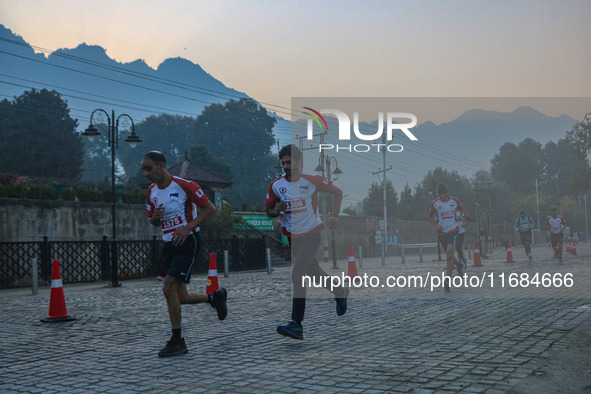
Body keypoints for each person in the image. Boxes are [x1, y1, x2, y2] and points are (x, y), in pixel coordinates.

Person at [141, 151, 227, 357]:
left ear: (162, 166)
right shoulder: (152, 191)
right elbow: (152, 221)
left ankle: (177, 340)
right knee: (181, 296)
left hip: (188, 242)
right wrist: (155, 217)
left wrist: (188, 228)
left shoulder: (184, 185)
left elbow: (209, 208)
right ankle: (214, 298)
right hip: (168, 245)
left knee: (168, 287)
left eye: (149, 168)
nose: (145, 173)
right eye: (143, 169)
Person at [265, 144, 347, 340]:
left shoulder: (311, 181)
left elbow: (338, 192)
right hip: (293, 237)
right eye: (283, 162)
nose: (285, 166)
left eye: (289, 162)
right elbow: (268, 211)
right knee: (315, 274)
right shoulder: (276, 185)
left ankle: (296, 324)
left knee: (298, 274)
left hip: (312, 233)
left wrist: (335, 216)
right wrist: (277, 210)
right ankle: (339, 290)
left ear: (299, 161)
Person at [428, 183, 468, 291]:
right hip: (442, 232)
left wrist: (460, 216)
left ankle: (447, 279)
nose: (442, 196)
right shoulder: (435, 204)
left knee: (450, 253)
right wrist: (436, 225)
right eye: (440, 194)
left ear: (447, 193)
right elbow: (431, 217)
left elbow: (461, 210)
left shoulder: (455, 201)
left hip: (453, 230)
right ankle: (459, 265)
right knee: (449, 255)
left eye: (444, 194)